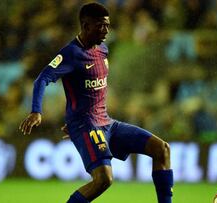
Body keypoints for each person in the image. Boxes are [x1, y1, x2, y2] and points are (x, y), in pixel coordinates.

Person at [19, 2, 173, 203]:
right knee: (104, 179)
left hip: (107, 122)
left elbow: (90, 90)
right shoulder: (70, 54)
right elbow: (42, 79)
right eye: (100, 26)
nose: (106, 30)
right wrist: (36, 111)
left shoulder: (103, 49)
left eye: (107, 25)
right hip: (87, 126)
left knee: (162, 149)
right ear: (85, 25)